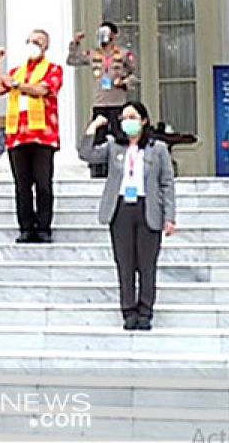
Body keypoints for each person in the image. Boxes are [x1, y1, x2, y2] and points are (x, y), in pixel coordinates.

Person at [78, 103, 176, 330]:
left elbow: (167, 183)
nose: (127, 122)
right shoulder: (114, 146)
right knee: (125, 263)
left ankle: (145, 311)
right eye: (124, 118)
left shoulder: (158, 148)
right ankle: (128, 310)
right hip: (120, 209)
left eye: (132, 117)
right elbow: (87, 154)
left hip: (147, 208)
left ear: (143, 120)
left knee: (146, 264)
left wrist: (169, 216)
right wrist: (93, 128)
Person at [0, 30, 63, 244]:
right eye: (30, 41)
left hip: (43, 135)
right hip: (17, 135)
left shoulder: (53, 70)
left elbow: (42, 90)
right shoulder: (17, 71)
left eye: (38, 42)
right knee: (21, 185)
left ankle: (43, 227)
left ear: (46, 46)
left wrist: (16, 85)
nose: (33, 45)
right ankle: (25, 227)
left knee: (43, 183)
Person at [68, 22, 137, 179]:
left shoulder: (124, 54)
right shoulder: (93, 54)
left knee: (120, 135)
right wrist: (75, 43)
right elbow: (72, 60)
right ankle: (98, 170)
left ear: (114, 35)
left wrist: (124, 82)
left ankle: (123, 168)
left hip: (118, 102)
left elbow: (135, 74)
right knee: (98, 136)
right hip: (100, 102)